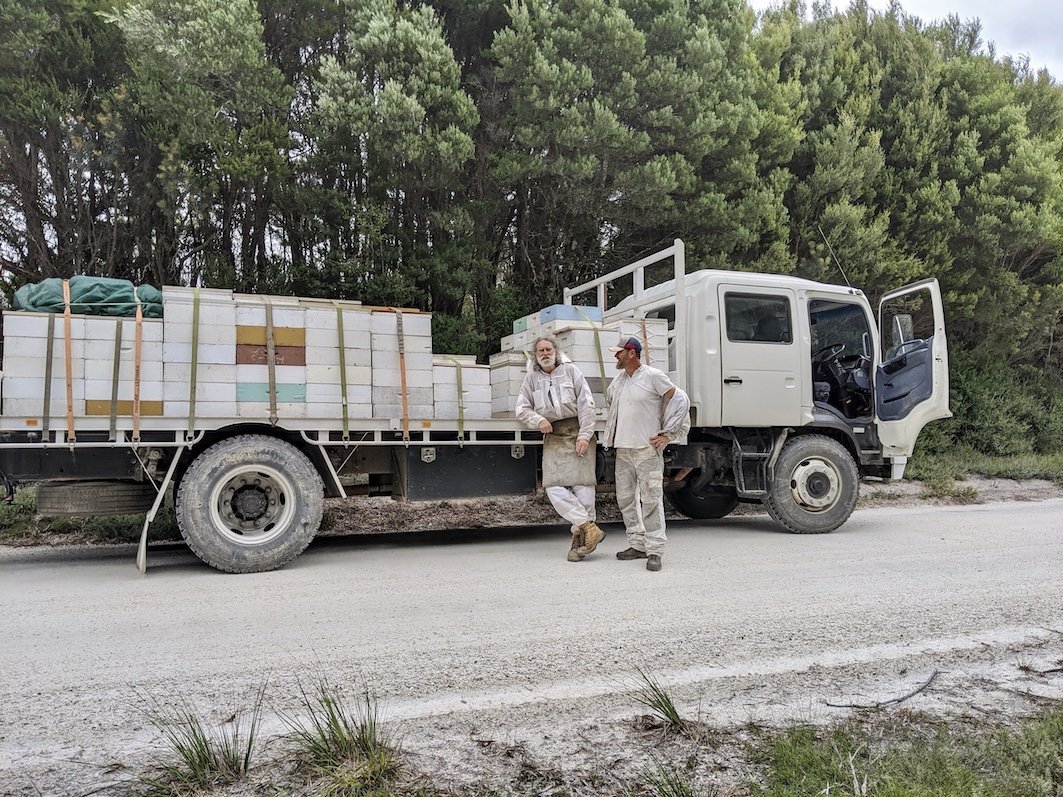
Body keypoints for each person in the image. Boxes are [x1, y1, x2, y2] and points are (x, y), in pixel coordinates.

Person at [603, 336, 690, 572]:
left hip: (646, 451)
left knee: (651, 500)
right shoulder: (619, 381)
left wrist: (668, 434)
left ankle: (655, 550)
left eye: (619, 352)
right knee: (626, 499)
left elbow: (680, 400)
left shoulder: (653, 376)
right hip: (623, 450)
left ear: (632, 353)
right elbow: (611, 406)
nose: (616, 356)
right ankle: (637, 544)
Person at [516, 336, 606, 561]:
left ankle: (580, 542)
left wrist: (585, 435)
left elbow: (586, 403)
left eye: (548, 349)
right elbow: (522, 408)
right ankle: (589, 527)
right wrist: (538, 420)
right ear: (535, 355)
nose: (545, 353)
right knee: (553, 487)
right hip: (553, 435)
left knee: (583, 487)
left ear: (555, 351)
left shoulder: (571, 371)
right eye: (540, 351)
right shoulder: (532, 378)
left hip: (577, 431)